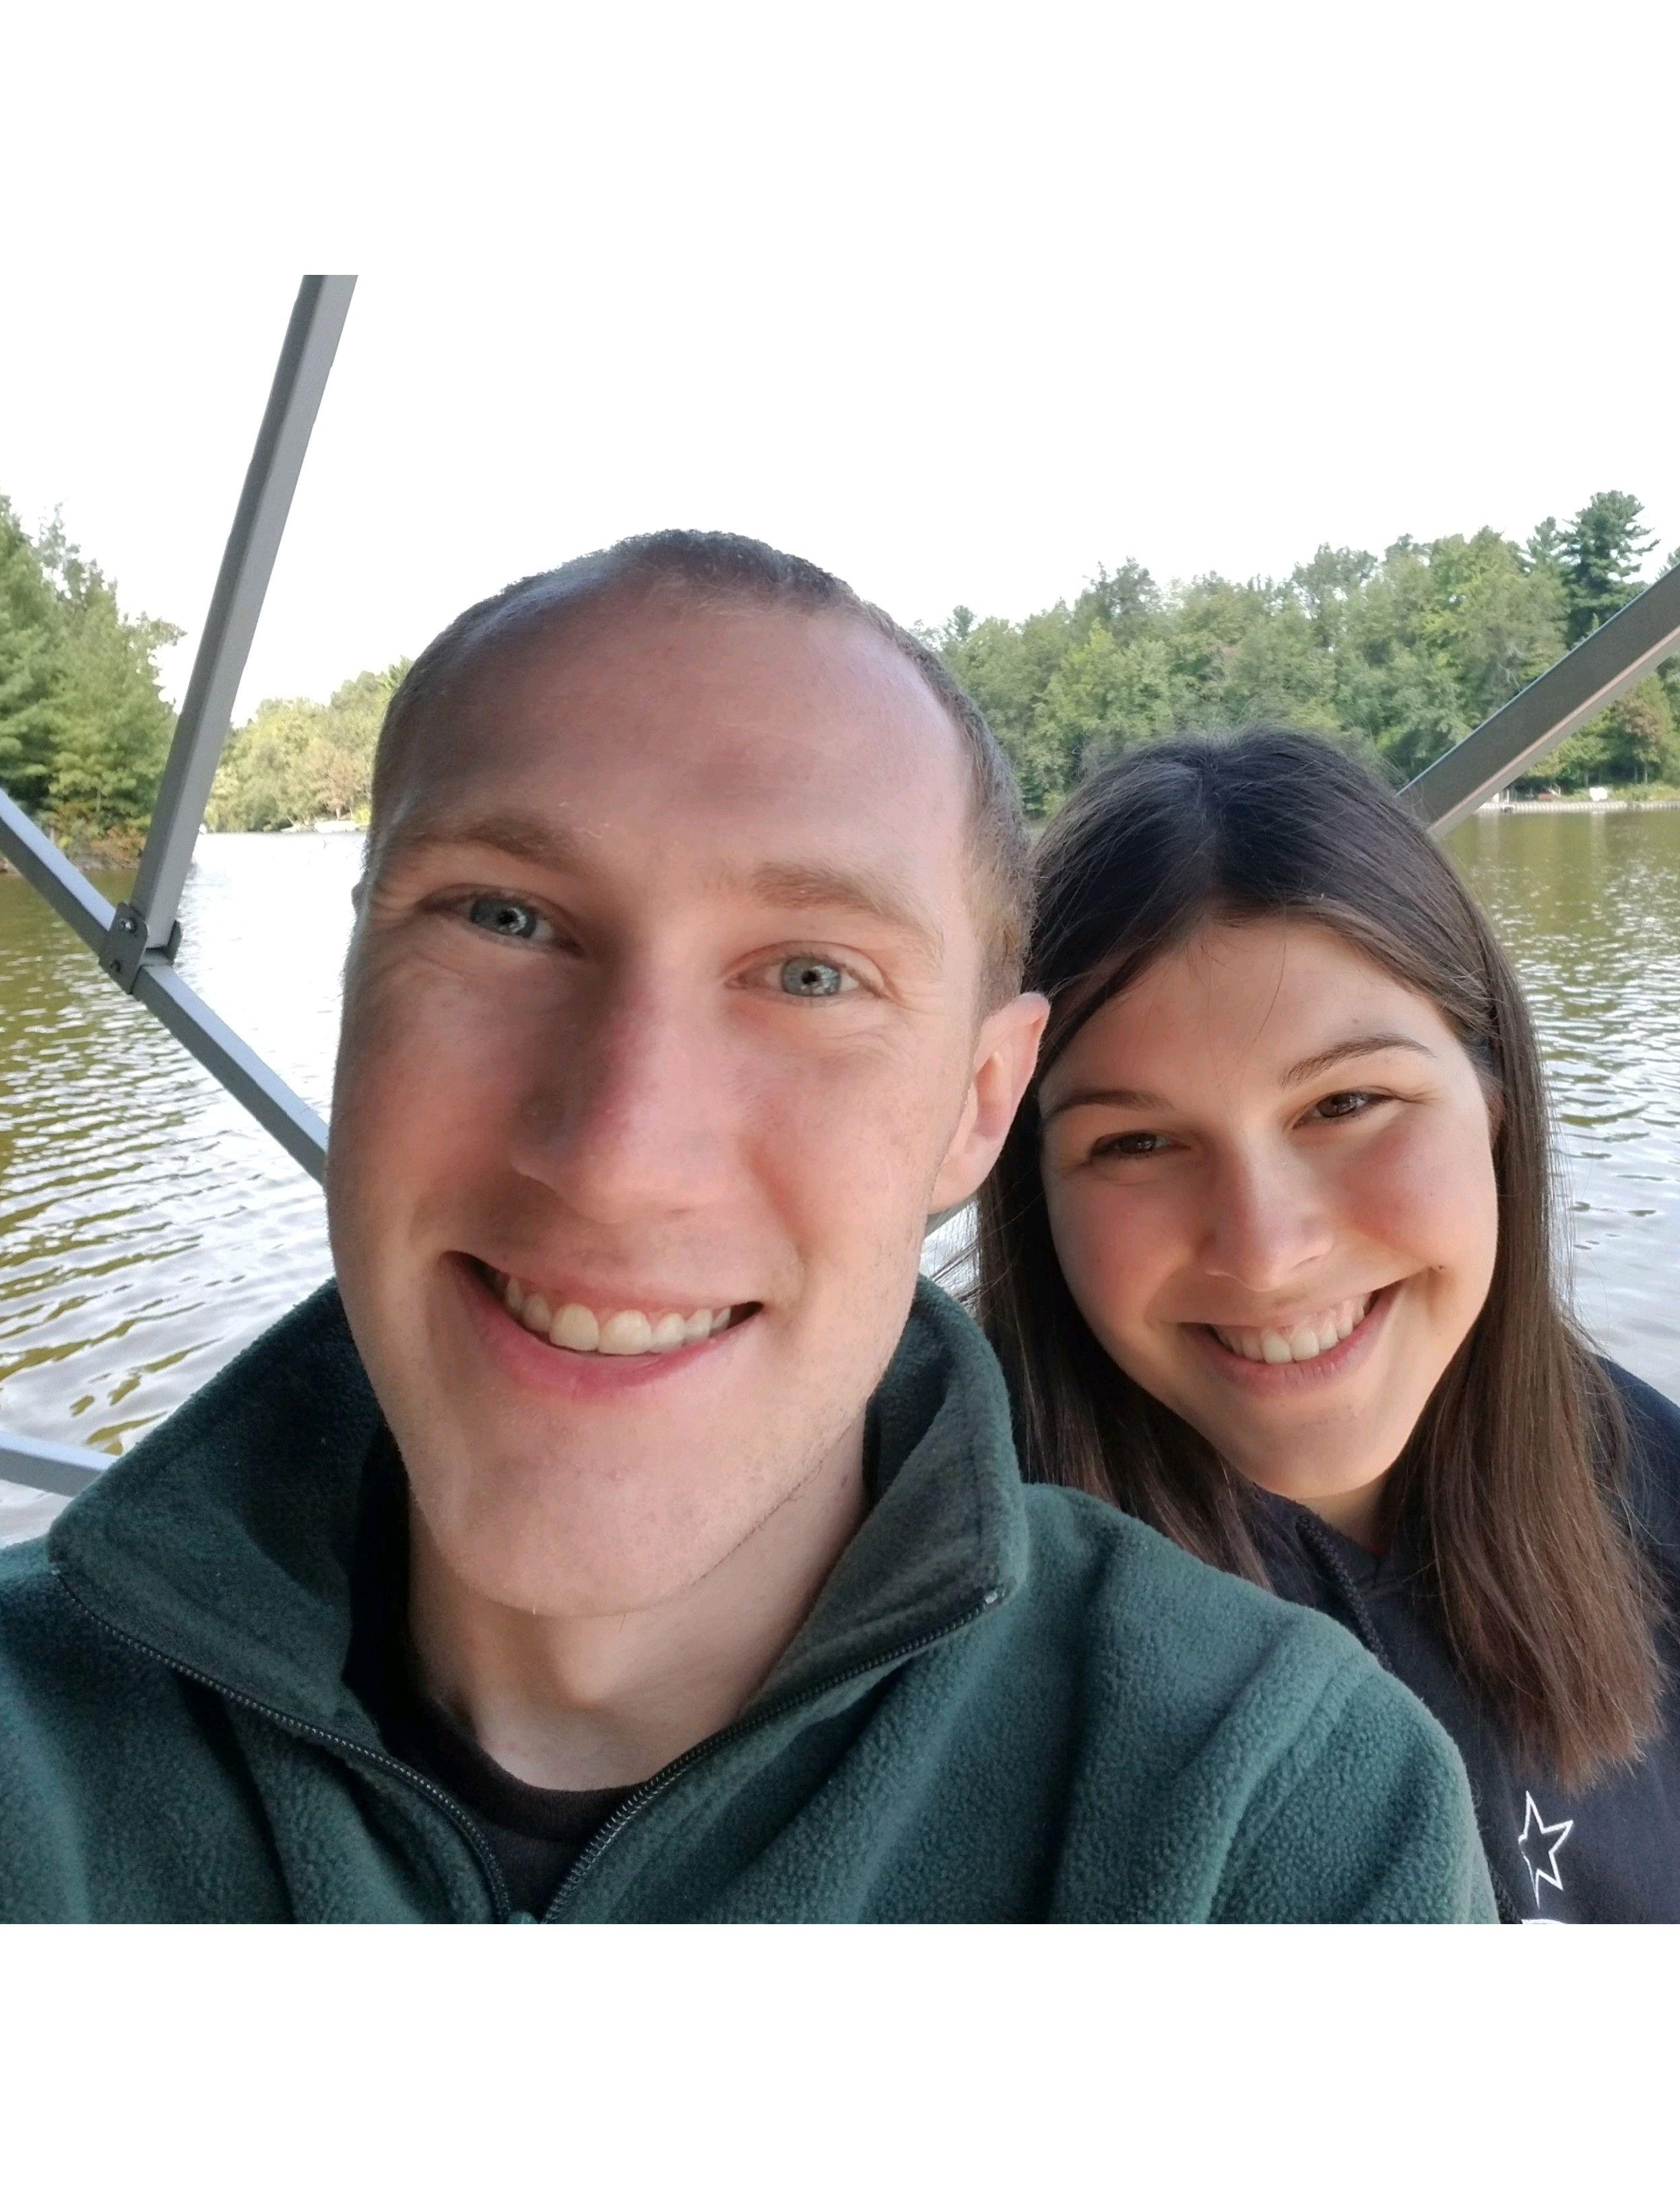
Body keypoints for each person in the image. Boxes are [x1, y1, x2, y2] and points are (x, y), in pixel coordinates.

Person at [0, 540, 1490, 1923]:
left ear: (979, 1108)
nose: (619, 1160)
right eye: (502, 920)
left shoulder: (1276, 1820)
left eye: (811, 977)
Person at [974, 728, 1680, 1922]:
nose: (1264, 1250)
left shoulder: (1647, 1470)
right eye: (1136, 1144)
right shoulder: (962, 1637)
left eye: (1348, 1103)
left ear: (1496, 1102)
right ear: (1031, 1188)